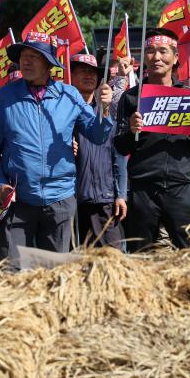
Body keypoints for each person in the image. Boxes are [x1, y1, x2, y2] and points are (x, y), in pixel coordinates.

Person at [0, 32, 113, 261]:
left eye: (34, 56)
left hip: (60, 200)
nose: (25, 61)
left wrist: (105, 110)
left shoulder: (70, 95)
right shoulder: (4, 97)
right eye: (24, 55)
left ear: (49, 63)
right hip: (17, 200)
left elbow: (97, 135)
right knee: (11, 273)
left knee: (54, 273)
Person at [114, 28, 190, 251]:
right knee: (140, 255)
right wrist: (131, 131)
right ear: (143, 57)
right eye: (150, 51)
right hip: (142, 190)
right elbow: (119, 145)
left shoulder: (189, 96)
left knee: (189, 254)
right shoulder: (131, 97)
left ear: (176, 57)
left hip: (180, 189)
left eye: (163, 51)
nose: (156, 57)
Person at [71, 54, 129, 249]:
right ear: (69, 75)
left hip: (105, 199)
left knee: (113, 259)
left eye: (93, 72)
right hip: (71, 202)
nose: (89, 75)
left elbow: (118, 157)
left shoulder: (107, 111)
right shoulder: (61, 112)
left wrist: (120, 194)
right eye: (82, 70)